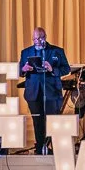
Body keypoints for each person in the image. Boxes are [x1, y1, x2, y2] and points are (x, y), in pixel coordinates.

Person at [18, 26, 70, 154]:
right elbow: (19, 70)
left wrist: (52, 69)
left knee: (52, 121)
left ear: (45, 37)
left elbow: (66, 69)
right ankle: (40, 147)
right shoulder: (26, 52)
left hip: (52, 92)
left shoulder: (56, 51)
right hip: (33, 92)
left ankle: (52, 146)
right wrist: (23, 70)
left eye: (39, 38)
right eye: (34, 39)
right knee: (38, 121)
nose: (37, 41)